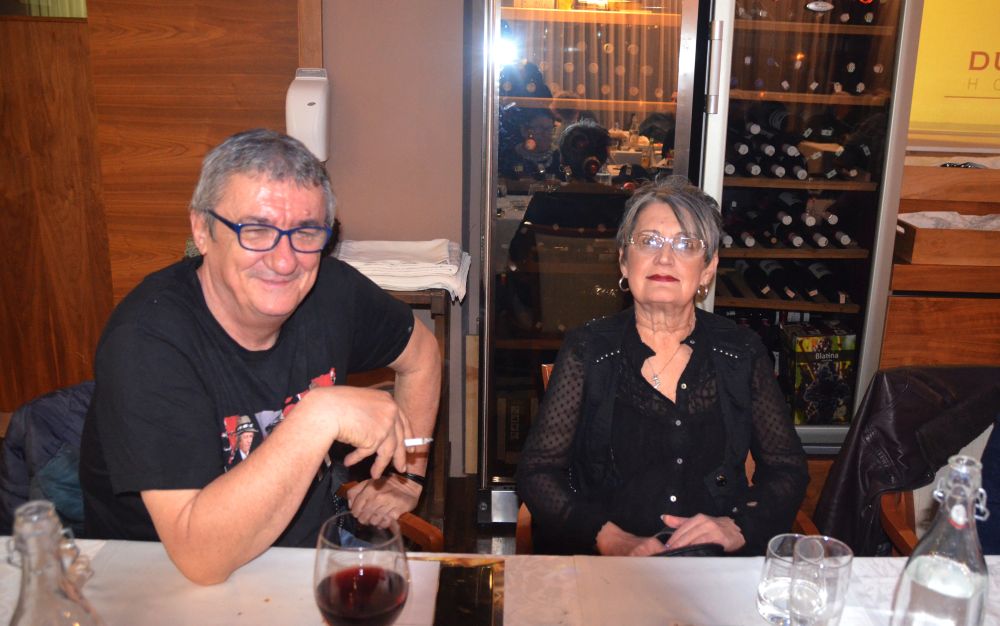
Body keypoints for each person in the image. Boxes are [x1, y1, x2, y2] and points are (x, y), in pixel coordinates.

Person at [79, 129, 440, 584]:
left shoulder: (333, 292)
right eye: (256, 230)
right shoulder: (147, 341)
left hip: (302, 569)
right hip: (159, 583)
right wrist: (319, 415)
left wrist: (408, 477)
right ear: (202, 230)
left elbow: (422, 353)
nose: (285, 261)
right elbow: (201, 560)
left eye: (305, 233)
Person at [515, 176, 808, 556]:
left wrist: (737, 526)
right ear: (624, 260)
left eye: (686, 244)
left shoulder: (741, 351)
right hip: (613, 568)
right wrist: (609, 538)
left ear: (708, 268)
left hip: (714, 566)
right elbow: (537, 472)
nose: (665, 258)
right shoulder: (587, 350)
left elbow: (788, 469)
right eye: (649, 241)